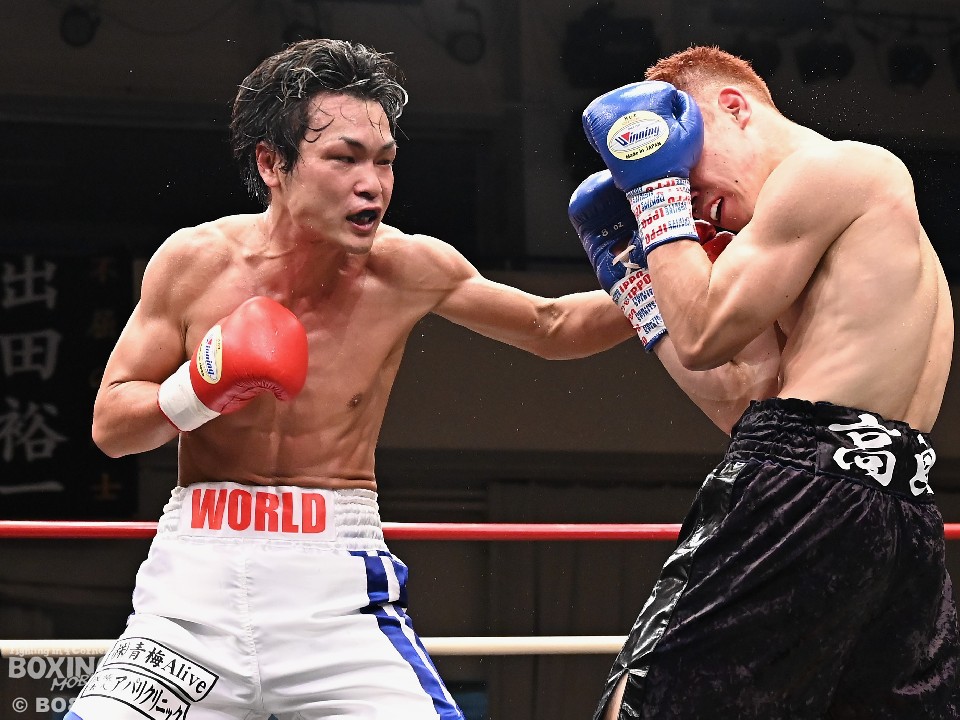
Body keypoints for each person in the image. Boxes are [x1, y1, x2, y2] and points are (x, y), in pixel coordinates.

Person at [66, 38, 646, 720]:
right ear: (271, 163)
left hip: (337, 595)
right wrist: (201, 385)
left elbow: (552, 326)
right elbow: (111, 426)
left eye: (385, 160)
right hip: (191, 598)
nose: (372, 183)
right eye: (344, 159)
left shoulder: (406, 268)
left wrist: (666, 270)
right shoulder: (196, 262)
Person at [576, 46, 958, 719]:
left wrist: (655, 198)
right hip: (893, 508)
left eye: (684, 165)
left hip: (805, 490)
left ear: (733, 108)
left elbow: (702, 334)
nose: (695, 203)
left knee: (650, 701)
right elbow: (738, 401)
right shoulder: (801, 239)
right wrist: (641, 295)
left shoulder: (839, 170)